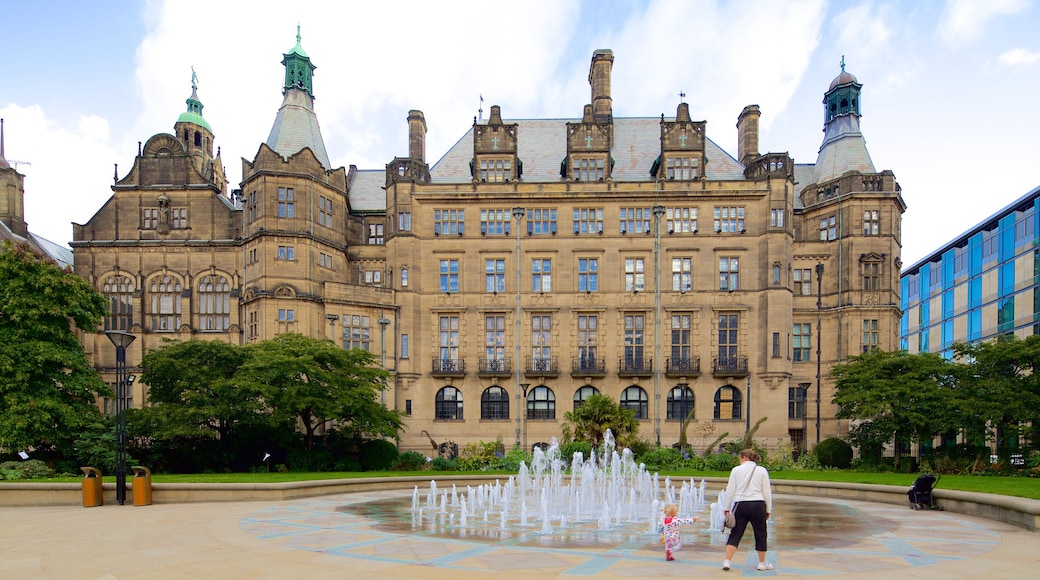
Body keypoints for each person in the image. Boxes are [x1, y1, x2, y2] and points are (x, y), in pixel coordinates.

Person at [722, 449, 773, 571]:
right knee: (760, 533)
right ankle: (762, 563)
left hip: (740, 504)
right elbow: (767, 491)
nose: (739, 461)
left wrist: (726, 507)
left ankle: (727, 560)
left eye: (740, 458)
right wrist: (768, 508)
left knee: (735, 533)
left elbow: (730, 490)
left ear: (744, 457)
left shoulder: (736, 470)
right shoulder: (761, 471)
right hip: (758, 504)